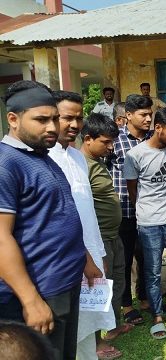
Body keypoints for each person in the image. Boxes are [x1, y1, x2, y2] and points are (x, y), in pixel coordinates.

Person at [0, 80, 86, 360]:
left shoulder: (41, 156)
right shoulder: (7, 164)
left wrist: (86, 260)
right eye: (41, 120)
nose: (52, 127)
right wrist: (30, 299)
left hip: (64, 283)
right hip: (40, 290)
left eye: (54, 119)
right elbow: (1, 237)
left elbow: (56, 216)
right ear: (13, 119)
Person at [48, 91, 115, 360]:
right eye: (67, 118)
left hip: (91, 254)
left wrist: (98, 253)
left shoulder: (77, 158)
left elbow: (86, 213)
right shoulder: (44, 160)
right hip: (65, 259)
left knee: (86, 330)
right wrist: (87, 260)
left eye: (78, 118)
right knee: (62, 333)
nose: (74, 125)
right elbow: (58, 219)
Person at [124, 107, 166, 340]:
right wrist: (146, 211)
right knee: (152, 273)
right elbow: (133, 190)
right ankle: (158, 315)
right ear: (158, 128)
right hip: (150, 224)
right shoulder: (135, 155)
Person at [80, 114, 129, 359]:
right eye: (106, 142)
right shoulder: (80, 165)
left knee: (117, 282)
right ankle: (97, 343)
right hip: (98, 239)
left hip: (113, 235)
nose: (111, 147)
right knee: (99, 289)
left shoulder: (98, 161)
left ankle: (113, 326)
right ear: (88, 139)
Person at [106, 94, 152, 326]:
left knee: (146, 256)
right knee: (123, 260)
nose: (148, 118)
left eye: (150, 114)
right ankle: (126, 305)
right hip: (124, 210)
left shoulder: (153, 139)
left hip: (149, 211)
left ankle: (144, 297)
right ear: (129, 116)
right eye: (143, 114)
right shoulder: (115, 141)